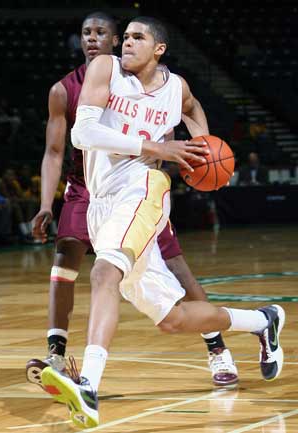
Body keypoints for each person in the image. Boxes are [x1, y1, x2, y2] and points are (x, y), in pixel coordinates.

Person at [40, 17, 285, 429]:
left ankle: (89, 387)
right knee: (172, 319)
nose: (128, 43)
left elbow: (190, 108)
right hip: (102, 201)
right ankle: (264, 321)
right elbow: (83, 135)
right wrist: (158, 145)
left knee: (103, 274)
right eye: (128, 36)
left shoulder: (177, 87)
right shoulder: (106, 69)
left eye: (139, 38)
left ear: (159, 49)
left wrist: (203, 148)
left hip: (144, 189)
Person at [26, 12, 239, 392]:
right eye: (86, 33)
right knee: (66, 257)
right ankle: (56, 353)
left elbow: (188, 106)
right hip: (85, 186)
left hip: (136, 185)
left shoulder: (142, 78)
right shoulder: (65, 89)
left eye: (102, 33)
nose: (94, 39)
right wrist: (46, 203)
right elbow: (56, 150)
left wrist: (204, 149)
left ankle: (216, 347)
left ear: (114, 40)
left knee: (172, 265)